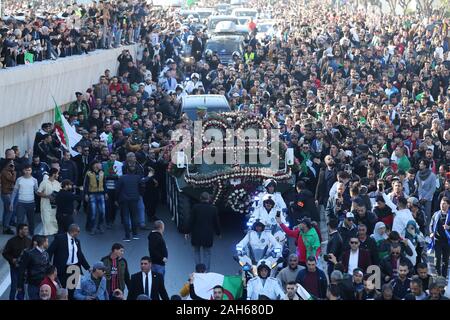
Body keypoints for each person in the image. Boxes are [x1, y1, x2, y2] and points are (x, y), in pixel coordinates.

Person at [47, 224, 90, 298]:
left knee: (73, 289)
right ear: (73, 231)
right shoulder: (60, 238)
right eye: (78, 231)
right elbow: (50, 251)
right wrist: (49, 265)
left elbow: (80, 255)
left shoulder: (77, 241)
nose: (79, 233)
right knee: (61, 289)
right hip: (62, 268)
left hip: (74, 268)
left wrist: (88, 267)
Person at [185, 192, 221, 272]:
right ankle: (206, 271)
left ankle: (198, 270)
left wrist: (187, 232)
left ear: (200, 199)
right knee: (207, 253)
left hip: (196, 235)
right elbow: (216, 222)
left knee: (196, 251)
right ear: (209, 199)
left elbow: (191, 221)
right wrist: (218, 233)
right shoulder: (213, 209)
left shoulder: (195, 208)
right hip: (207, 235)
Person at [2, 223, 31, 300]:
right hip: (15, 268)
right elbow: (5, 253)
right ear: (20, 230)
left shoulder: (29, 241)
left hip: (25, 269)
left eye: (27, 229)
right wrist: (12, 259)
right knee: (14, 287)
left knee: (23, 287)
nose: (27, 231)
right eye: (25, 229)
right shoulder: (11, 241)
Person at [17, 235, 50, 300]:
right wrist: (19, 285)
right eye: (47, 242)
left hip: (44, 285)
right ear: (43, 243)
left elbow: (48, 269)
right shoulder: (29, 254)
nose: (48, 243)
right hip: (33, 285)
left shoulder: (46, 254)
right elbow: (22, 269)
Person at [116, 165, 143, 241]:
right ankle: (135, 234)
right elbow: (142, 185)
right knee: (134, 216)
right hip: (134, 199)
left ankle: (127, 236)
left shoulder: (122, 178)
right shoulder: (137, 177)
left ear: (126, 170)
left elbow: (117, 189)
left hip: (124, 199)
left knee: (125, 217)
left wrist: (116, 199)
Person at [11, 165, 38, 235]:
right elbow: (14, 191)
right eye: (26, 170)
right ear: (23, 170)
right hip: (21, 203)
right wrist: (11, 203)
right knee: (19, 221)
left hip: (31, 203)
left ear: (31, 171)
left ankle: (32, 235)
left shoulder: (34, 180)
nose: (27, 172)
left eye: (29, 170)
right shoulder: (19, 179)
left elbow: (37, 191)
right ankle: (18, 235)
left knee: (31, 221)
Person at [83, 160, 107, 235]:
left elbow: (104, 183)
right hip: (92, 194)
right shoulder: (89, 173)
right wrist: (86, 194)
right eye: (97, 163)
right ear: (93, 165)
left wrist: (106, 192)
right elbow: (86, 185)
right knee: (93, 213)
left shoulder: (102, 172)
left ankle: (99, 225)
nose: (98, 165)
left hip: (101, 194)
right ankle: (92, 227)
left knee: (102, 212)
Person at [429, 197, 450, 277]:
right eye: (441, 203)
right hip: (437, 240)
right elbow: (431, 225)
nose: (442, 205)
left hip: (447, 241)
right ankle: (438, 275)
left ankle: (444, 277)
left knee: (445, 260)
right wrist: (431, 233)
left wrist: (449, 227)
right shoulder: (436, 214)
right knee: (437, 259)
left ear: (448, 205)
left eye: (444, 204)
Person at [37, 168, 61, 236]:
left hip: (54, 206)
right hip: (45, 205)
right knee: (46, 221)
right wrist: (48, 196)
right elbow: (39, 193)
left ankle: (55, 238)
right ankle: (45, 238)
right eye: (57, 174)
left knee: (54, 221)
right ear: (54, 174)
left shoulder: (57, 183)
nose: (58, 175)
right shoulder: (44, 182)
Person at [416, 159, 437, 228]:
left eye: (421, 164)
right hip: (420, 198)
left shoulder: (432, 175)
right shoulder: (418, 174)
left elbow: (433, 188)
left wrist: (425, 198)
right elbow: (418, 186)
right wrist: (420, 197)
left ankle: (427, 232)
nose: (420, 165)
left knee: (427, 216)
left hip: (428, 199)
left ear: (425, 166)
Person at [1, 159, 17, 235]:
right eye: (11, 164)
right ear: (7, 164)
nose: (12, 165)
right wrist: (14, 172)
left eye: (13, 164)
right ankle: (6, 227)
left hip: (8, 192)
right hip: (6, 193)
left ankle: (5, 226)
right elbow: (13, 179)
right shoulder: (5, 172)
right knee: (10, 210)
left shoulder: (7, 171)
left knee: (7, 210)